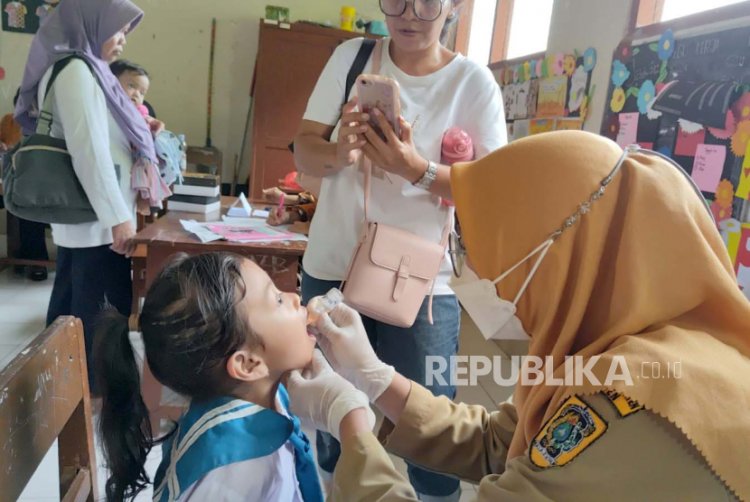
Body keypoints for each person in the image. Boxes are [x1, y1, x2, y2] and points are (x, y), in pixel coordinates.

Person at [288, 131, 750, 501]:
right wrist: (374, 378)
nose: (476, 270)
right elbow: (500, 441)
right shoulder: (602, 347)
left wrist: (350, 422)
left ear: (554, 258)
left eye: (481, 248)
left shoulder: (636, 404)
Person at [293, 0, 506, 498]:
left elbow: (492, 191)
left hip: (423, 285)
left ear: (455, 6)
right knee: (332, 408)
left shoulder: (472, 84)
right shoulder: (352, 57)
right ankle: (335, 488)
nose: (410, 14)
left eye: (429, 2)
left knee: (431, 424)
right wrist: (339, 151)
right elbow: (303, 147)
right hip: (332, 269)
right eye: (396, 0)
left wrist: (416, 168)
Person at [95, 252, 370, 501]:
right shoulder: (232, 472)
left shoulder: (267, 395)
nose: (296, 297)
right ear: (249, 364)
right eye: (276, 298)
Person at [14, 0, 170, 390]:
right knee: (96, 316)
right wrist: (118, 217)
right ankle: (91, 395)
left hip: (92, 219)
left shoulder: (88, 71)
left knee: (72, 309)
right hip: (97, 220)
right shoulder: (77, 73)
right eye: (117, 30)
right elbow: (90, 152)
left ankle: (63, 390)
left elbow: (104, 141)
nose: (121, 40)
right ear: (90, 24)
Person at [0, 88, 49, 281]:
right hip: (9, 180)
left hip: (41, 187)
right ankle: (22, 259)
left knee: (29, 209)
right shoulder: (9, 121)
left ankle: (35, 261)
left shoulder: (50, 124)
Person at [109, 59, 164, 134]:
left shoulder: (141, 112)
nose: (137, 94)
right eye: (131, 86)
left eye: (142, 93)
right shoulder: (107, 106)